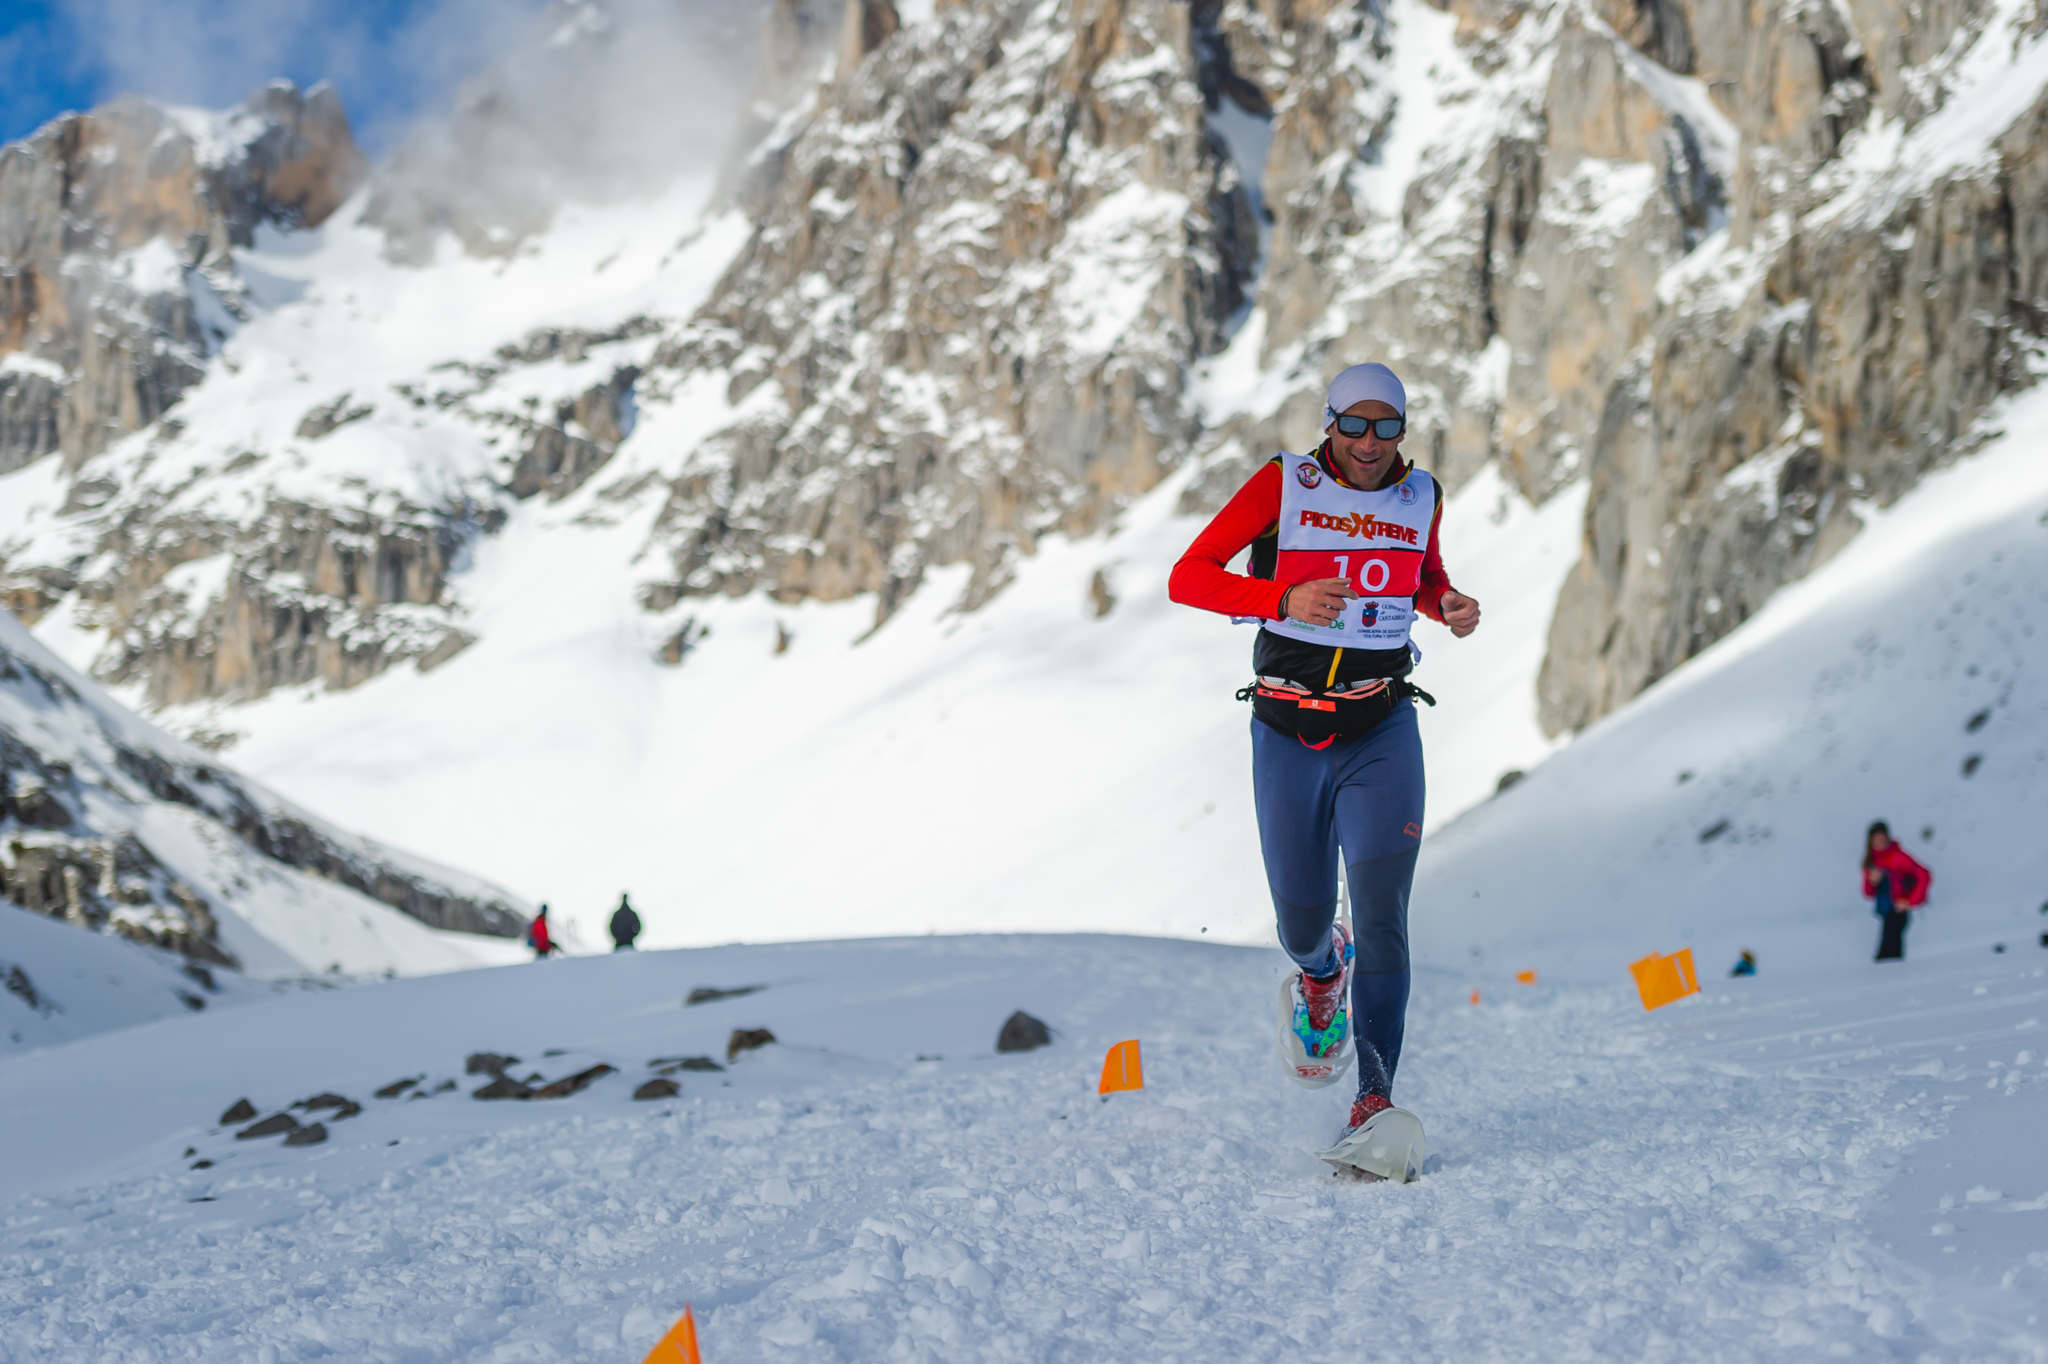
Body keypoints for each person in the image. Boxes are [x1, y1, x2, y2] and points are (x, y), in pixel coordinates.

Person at [1168, 362, 1480, 1171]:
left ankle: (1373, 1101)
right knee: (1303, 924)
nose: (1370, 445)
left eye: (1387, 428)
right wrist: (1282, 597)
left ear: (1403, 431)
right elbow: (1188, 577)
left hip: (1381, 728)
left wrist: (1442, 602)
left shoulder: (1422, 496)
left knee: (1384, 917)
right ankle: (1319, 973)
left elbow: (1422, 572)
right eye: (1354, 425)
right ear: (1329, 422)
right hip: (1285, 730)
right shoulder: (1283, 484)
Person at [1862, 822, 1930, 962]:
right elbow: (1868, 893)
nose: (1879, 842)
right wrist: (1873, 881)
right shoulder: (1872, 861)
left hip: (1898, 912)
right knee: (1887, 955)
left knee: (1888, 956)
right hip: (1886, 913)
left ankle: (1894, 980)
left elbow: (1924, 875)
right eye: (1875, 839)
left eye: (1881, 838)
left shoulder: (1898, 857)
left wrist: (1910, 902)